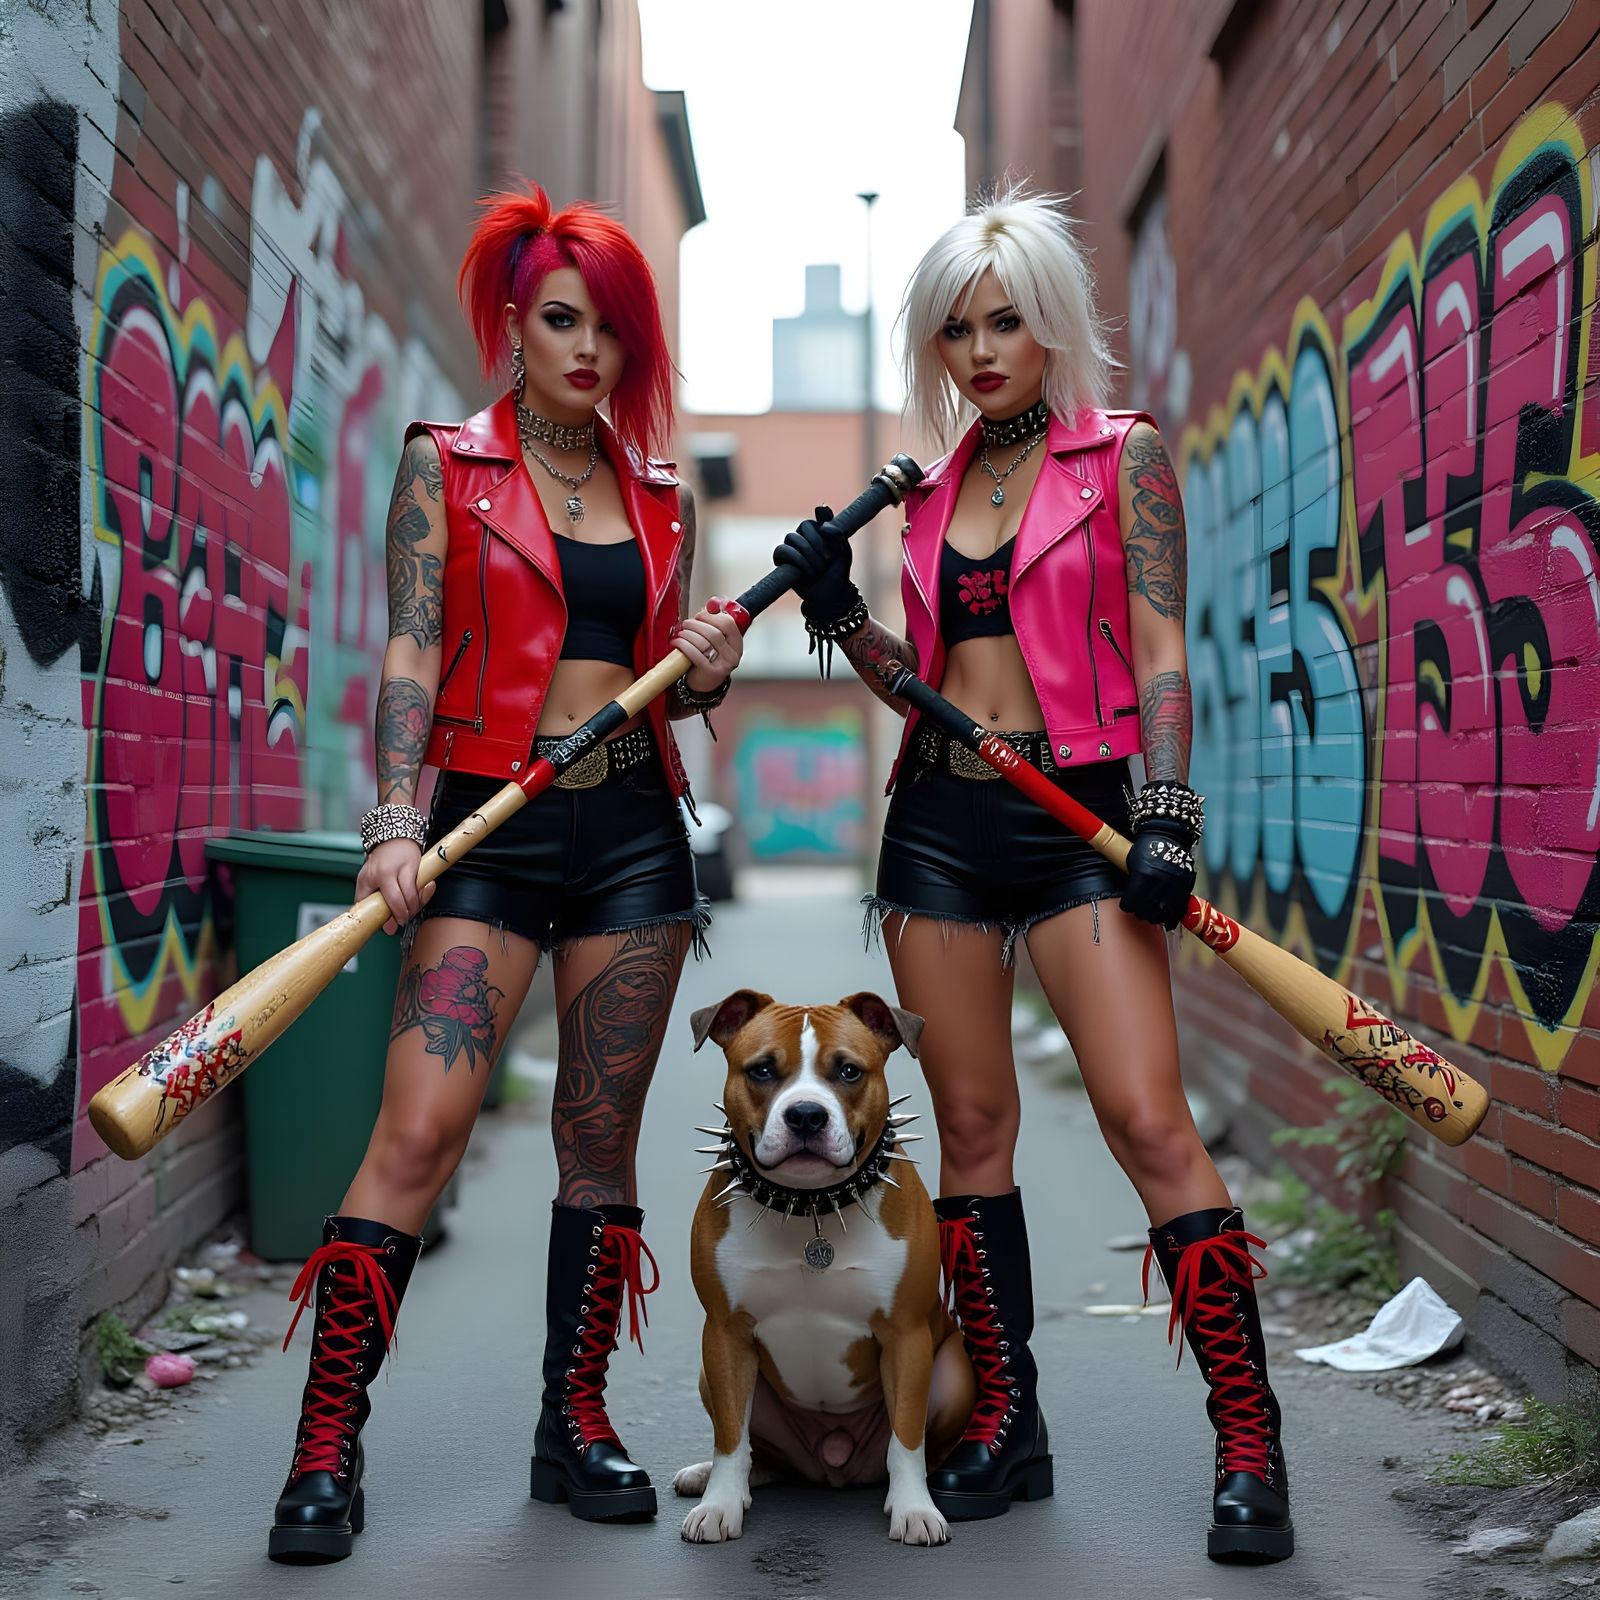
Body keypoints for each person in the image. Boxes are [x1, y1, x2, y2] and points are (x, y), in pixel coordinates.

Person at [774, 189, 1293, 1562]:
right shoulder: (931, 493)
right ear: (934, 346)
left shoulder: (1123, 459)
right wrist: (842, 618)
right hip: (940, 828)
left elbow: (1163, 648)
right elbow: (928, 687)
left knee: (1145, 1119)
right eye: (958, 327)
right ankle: (1009, 1419)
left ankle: (1251, 1443)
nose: (984, 347)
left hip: (1086, 816)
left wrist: (1170, 812)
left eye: (1007, 319)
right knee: (975, 1135)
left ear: (1051, 322)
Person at [268, 184, 743, 1563]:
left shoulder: (662, 493)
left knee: (597, 1148)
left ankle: (574, 1425)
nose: (586, 347)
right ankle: (322, 1452)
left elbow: (668, 688)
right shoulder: (446, 466)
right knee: (415, 1138)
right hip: (485, 823)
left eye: (610, 327)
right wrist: (395, 818)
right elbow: (414, 648)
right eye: (559, 319)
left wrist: (703, 678)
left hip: (635, 838)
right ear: (513, 326)